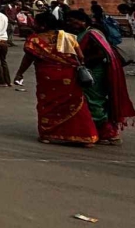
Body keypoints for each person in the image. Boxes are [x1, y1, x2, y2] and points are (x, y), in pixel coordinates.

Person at [14, 12, 97, 146]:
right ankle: (84, 136)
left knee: (49, 105)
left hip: (47, 77)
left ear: (43, 25)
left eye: (36, 23)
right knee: (75, 104)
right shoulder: (68, 37)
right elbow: (80, 57)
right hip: (69, 76)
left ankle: (48, 134)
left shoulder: (34, 40)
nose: (34, 25)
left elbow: (28, 59)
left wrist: (19, 73)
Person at [65, 10, 135, 145]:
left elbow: (101, 54)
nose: (70, 24)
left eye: (72, 21)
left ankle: (108, 132)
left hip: (95, 72)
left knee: (94, 102)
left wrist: (83, 63)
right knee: (89, 101)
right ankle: (95, 131)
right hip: (89, 70)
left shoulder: (92, 34)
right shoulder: (82, 33)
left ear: (82, 21)